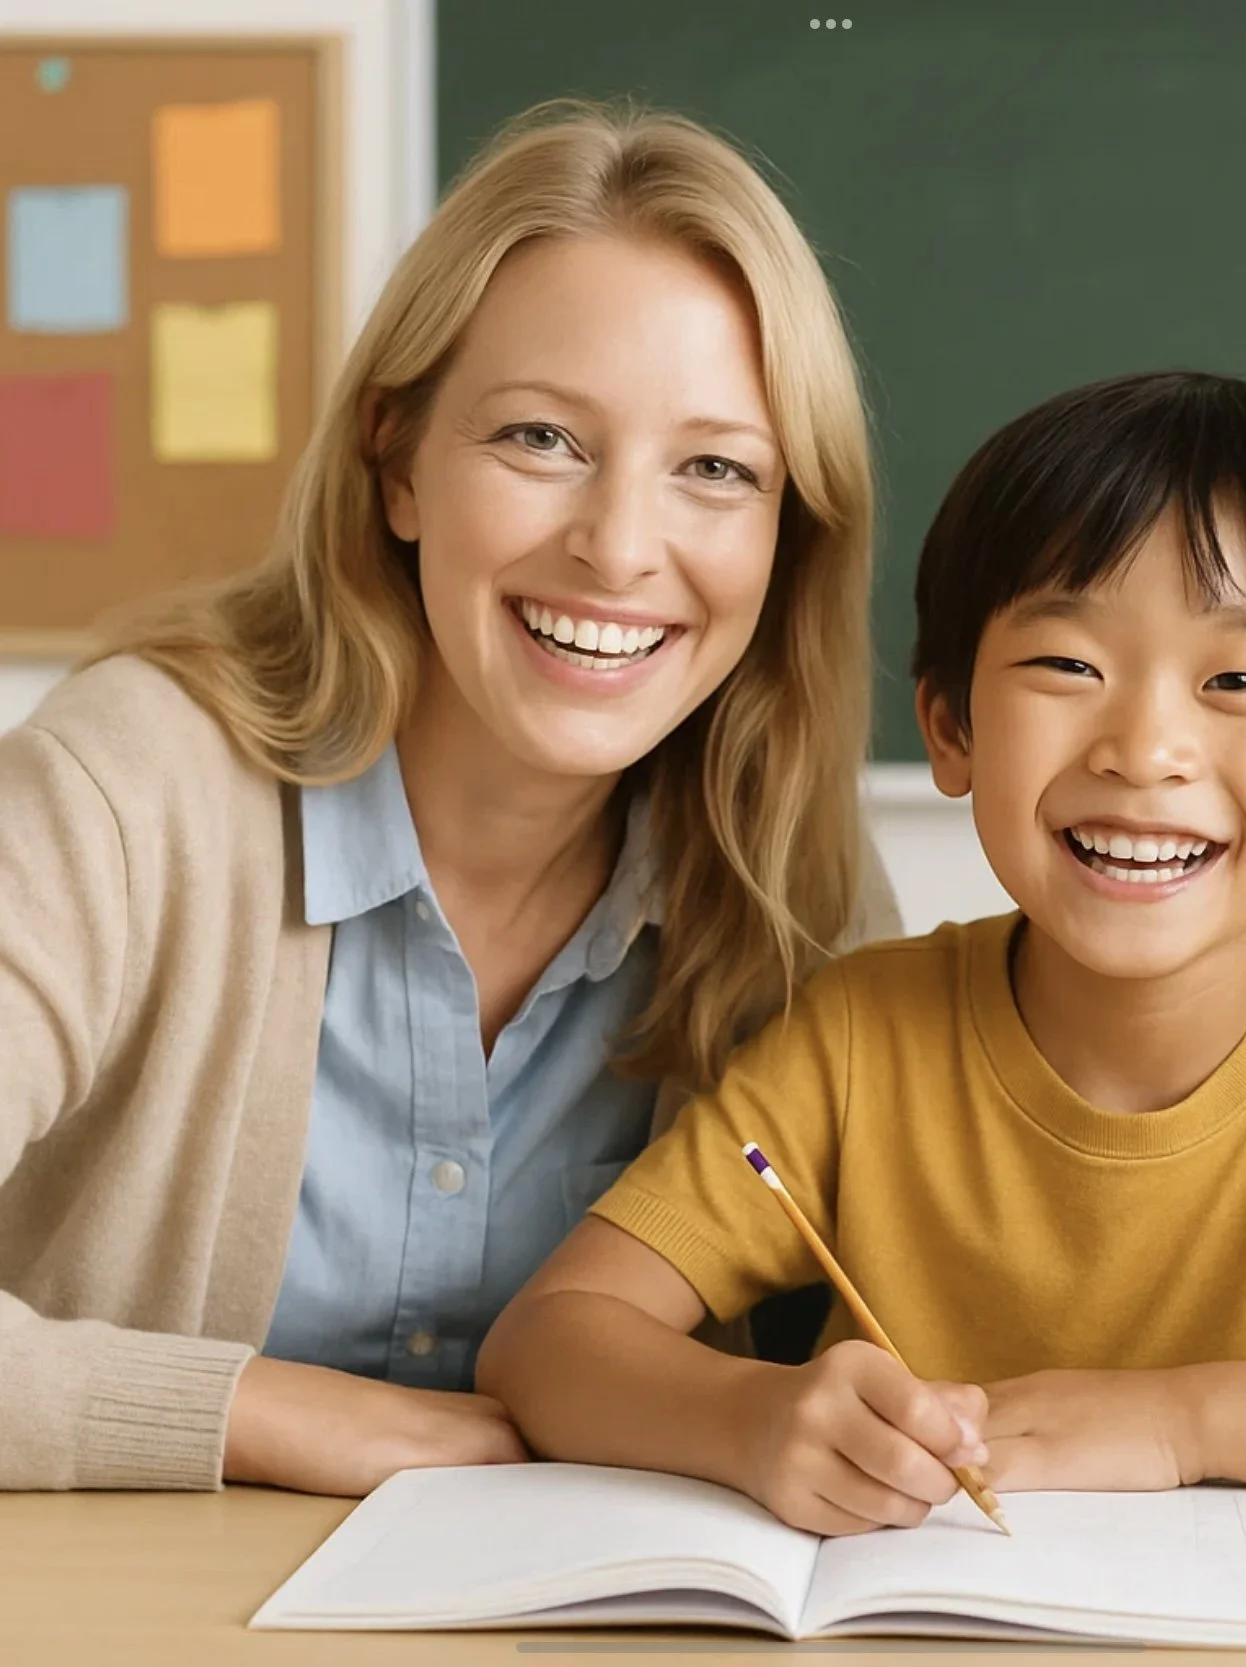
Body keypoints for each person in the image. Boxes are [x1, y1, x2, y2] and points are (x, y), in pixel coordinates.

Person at [477, 370, 1246, 1533]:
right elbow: (549, 1340)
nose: (1144, 748)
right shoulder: (856, 1033)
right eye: (1066, 666)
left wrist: (1182, 1422)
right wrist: (755, 1416)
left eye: (1238, 680)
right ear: (950, 726)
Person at [0, 101, 899, 1495]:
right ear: (397, 459)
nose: (616, 547)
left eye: (715, 469)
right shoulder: (130, 789)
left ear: (788, 538)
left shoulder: (794, 880)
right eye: (541, 438)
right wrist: (263, 1412)